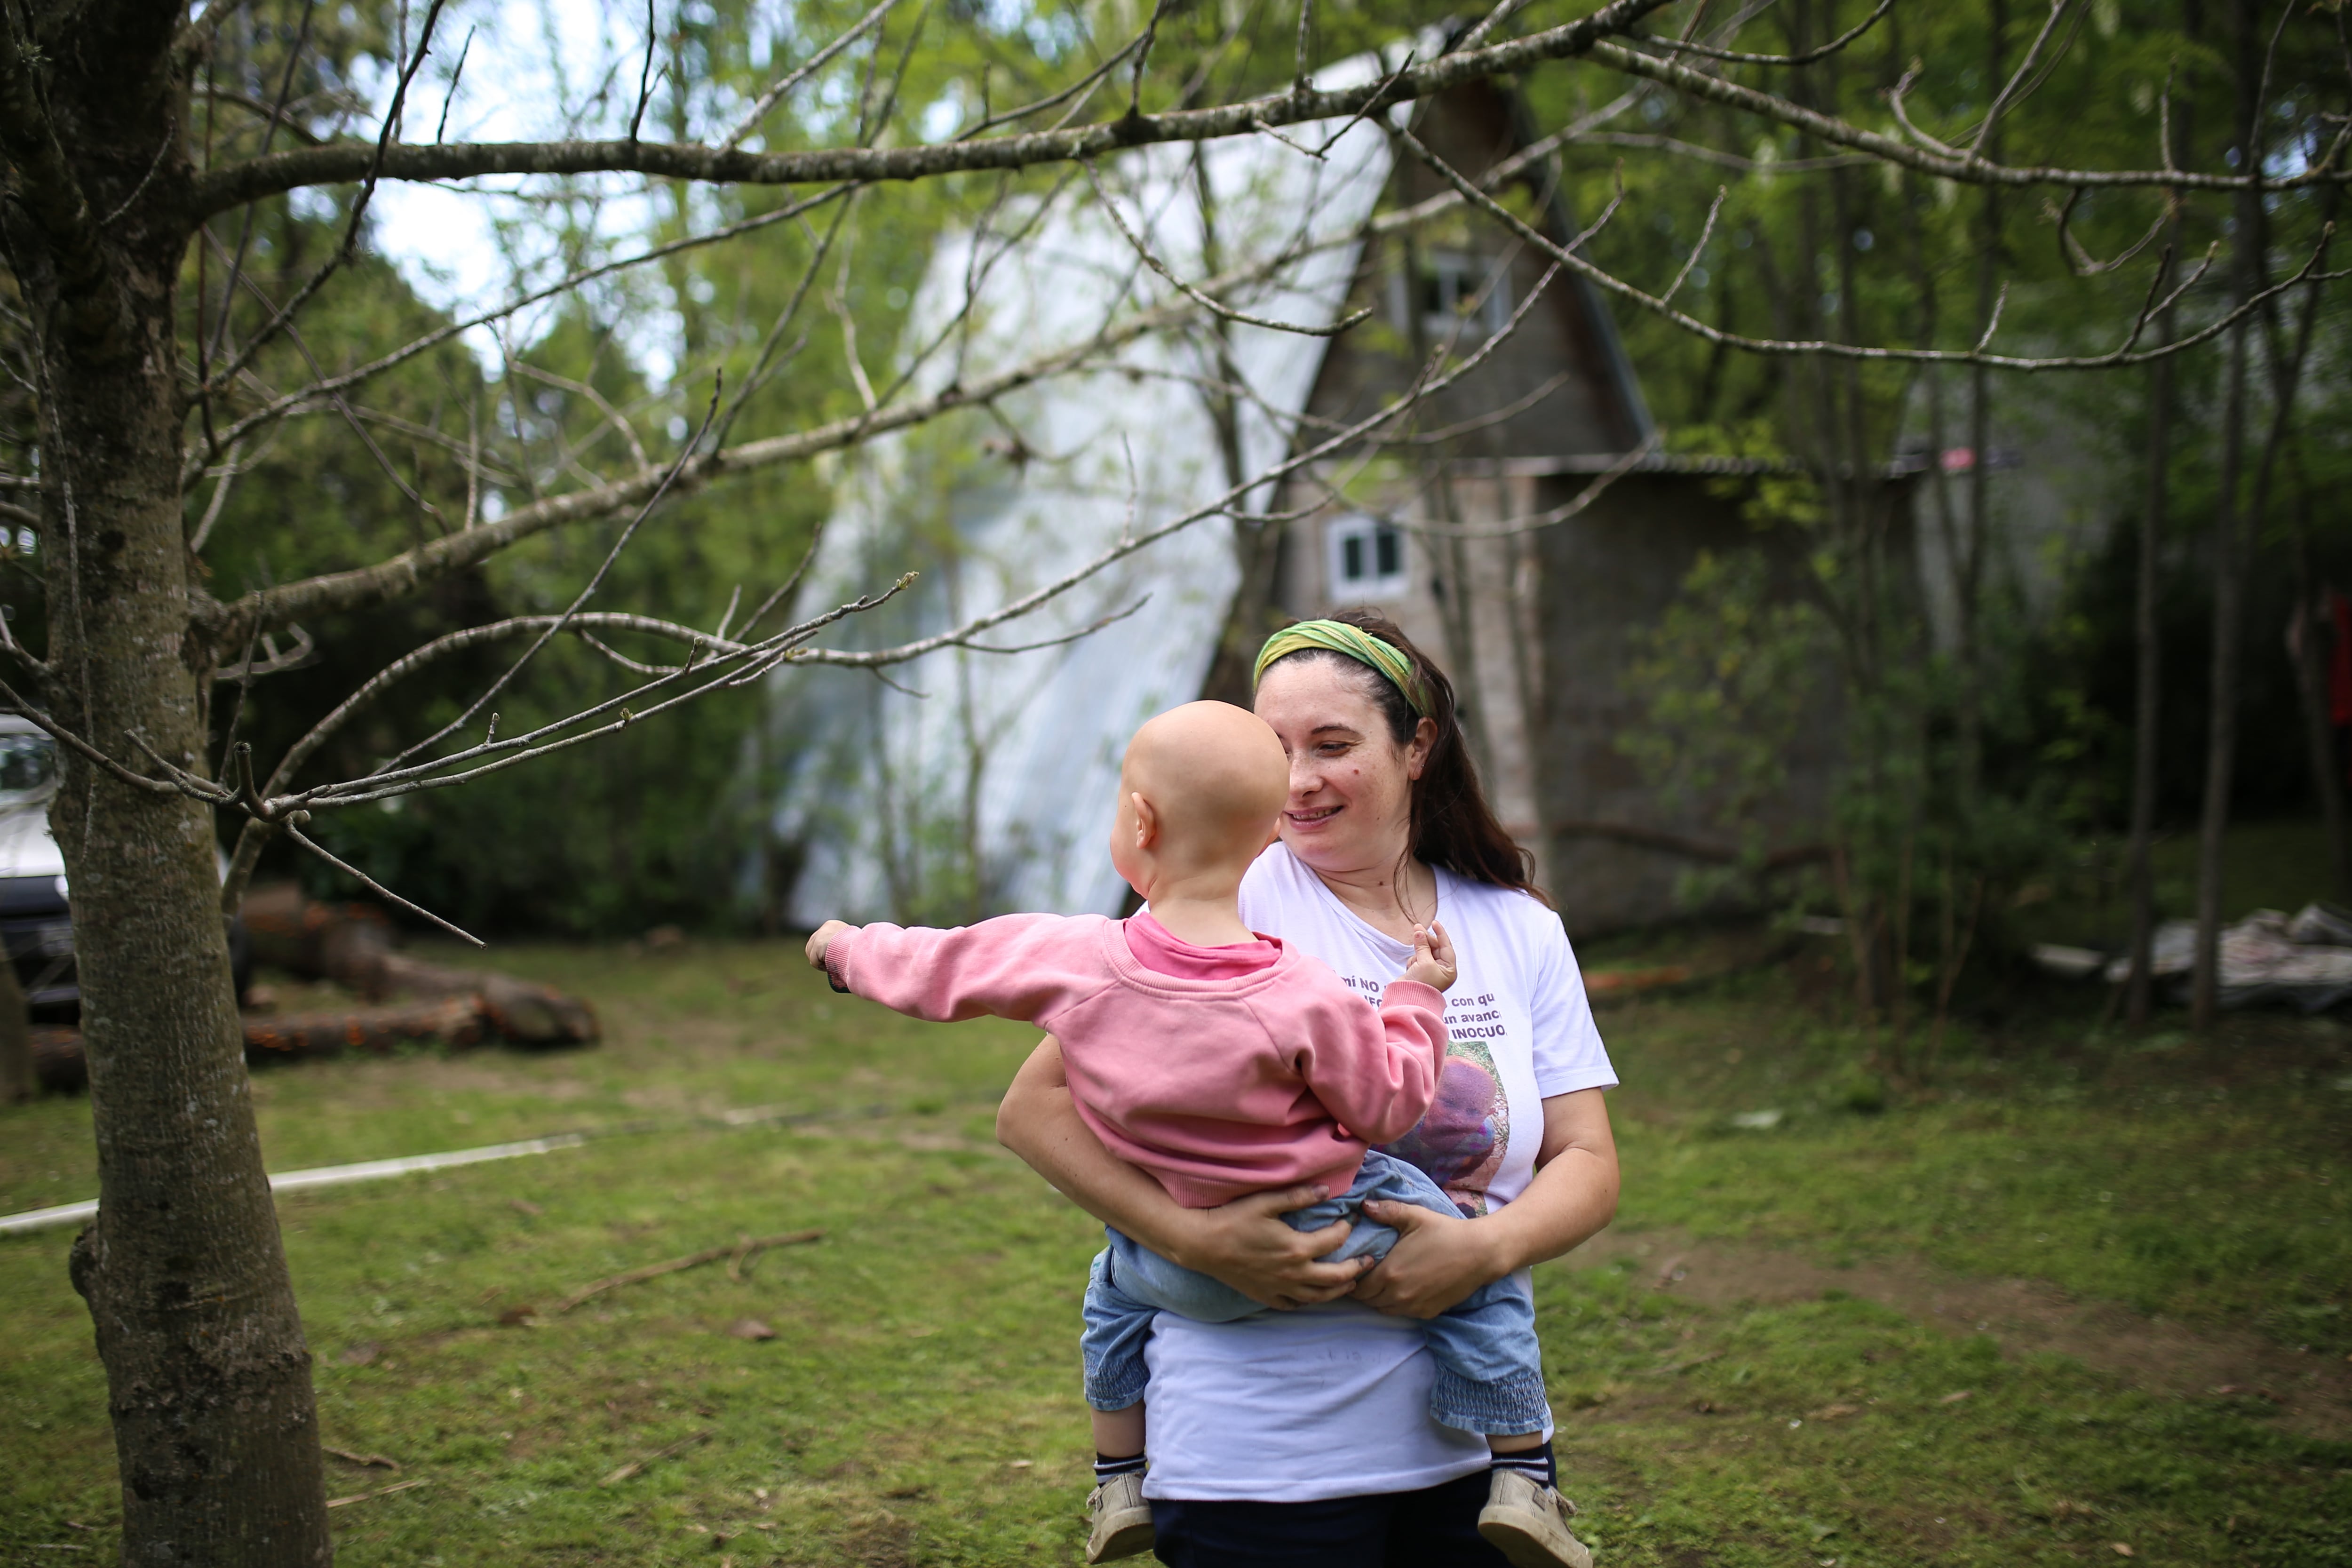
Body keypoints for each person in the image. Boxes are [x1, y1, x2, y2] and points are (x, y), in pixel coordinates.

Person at [803, 700, 1577, 1566]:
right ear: (1266, 837)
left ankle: (1119, 1475)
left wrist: (844, 948)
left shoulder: (1079, 959)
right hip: (1336, 1232)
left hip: (1174, 1266)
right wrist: (1415, 997)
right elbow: (1391, 1105)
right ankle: (1524, 1471)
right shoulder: (1300, 991)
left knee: (1108, 1292)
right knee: (1480, 1266)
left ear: (1140, 821)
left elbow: (939, 963)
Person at [997, 611, 1621, 1568]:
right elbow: (1034, 1109)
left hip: (1474, 1464)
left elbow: (1586, 1155)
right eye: (1274, 747)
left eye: (1332, 745)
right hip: (1255, 1458)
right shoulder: (1222, 902)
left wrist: (1481, 1249)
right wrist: (1194, 1239)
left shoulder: (1517, 929)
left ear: (1417, 746)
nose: (1296, 780)